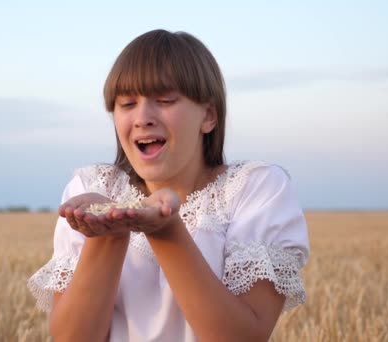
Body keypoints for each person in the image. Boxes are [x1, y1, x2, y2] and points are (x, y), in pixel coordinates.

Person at [28, 29, 310, 342]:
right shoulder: (92, 189)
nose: (142, 118)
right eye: (127, 103)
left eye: (164, 100)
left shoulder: (254, 190)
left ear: (209, 116)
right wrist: (108, 233)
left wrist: (165, 231)